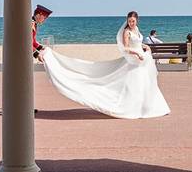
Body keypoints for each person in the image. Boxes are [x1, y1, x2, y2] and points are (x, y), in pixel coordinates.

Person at [38, 10, 170, 119]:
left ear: (137, 20)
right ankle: (132, 107)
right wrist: (137, 54)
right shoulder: (126, 32)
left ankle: (146, 107)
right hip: (134, 60)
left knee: (145, 84)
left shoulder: (136, 29)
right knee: (133, 85)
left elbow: (136, 43)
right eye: (129, 21)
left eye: (133, 21)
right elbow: (125, 48)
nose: (131, 23)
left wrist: (144, 46)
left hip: (141, 61)